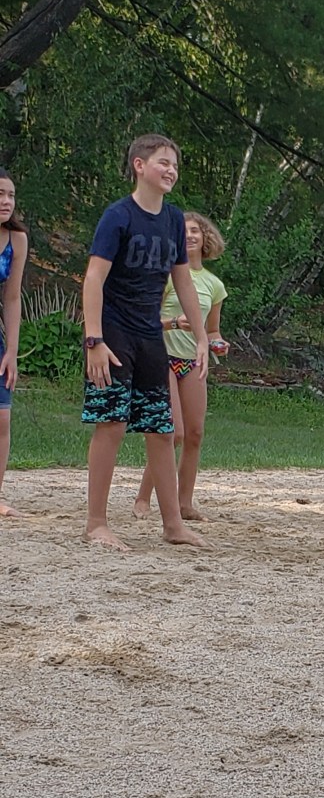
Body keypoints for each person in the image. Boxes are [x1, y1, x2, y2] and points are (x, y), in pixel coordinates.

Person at [82, 133, 209, 552]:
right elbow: (94, 278)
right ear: (139, 165)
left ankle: (173, 524)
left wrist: (201, 335)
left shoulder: (173, 220)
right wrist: (94, 340)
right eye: (163, 162)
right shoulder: (118, 216)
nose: (171, 170)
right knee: (112, 423)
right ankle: (96, 523)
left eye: (175, 164)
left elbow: (183, 280)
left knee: (161, 427)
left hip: (151, 334)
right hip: (114, 332)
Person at [134, 210, 228, 522]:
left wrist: (217, 342)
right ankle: (143, 498)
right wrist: (174, 322)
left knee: (195, 434)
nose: (189, 236)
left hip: (194, 362)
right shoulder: (169, 275)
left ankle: (184, 503)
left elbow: (212, 329)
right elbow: (146, 320)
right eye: (183, 231)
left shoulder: (214, 285)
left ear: (206, 238)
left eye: (195, 231)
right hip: (163, 357)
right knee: (172, 432)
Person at [0, 168, 29, 518]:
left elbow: (11, 297)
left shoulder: (16, 240)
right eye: (0, 194)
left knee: (2, 418)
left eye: (10, 195)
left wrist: (11, 351)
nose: (6, 201)